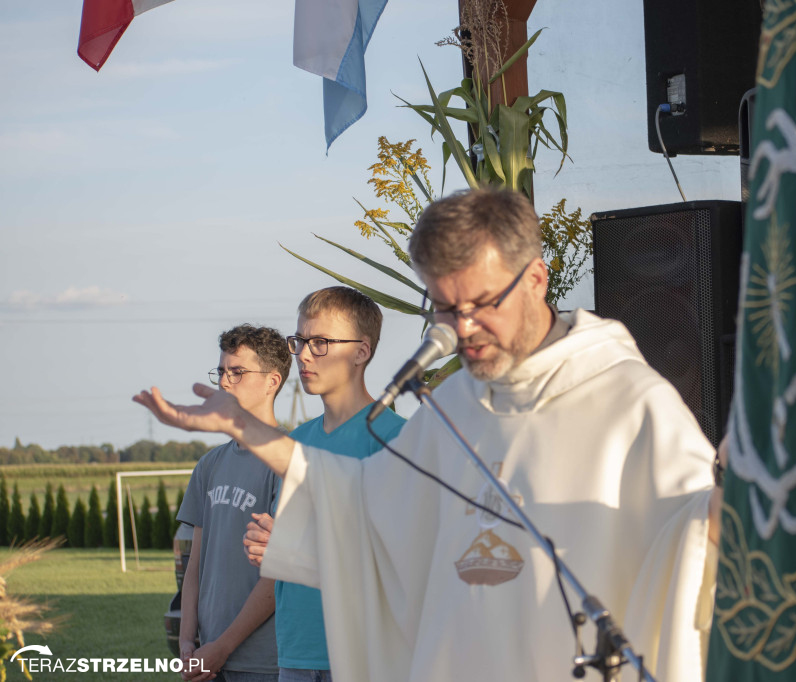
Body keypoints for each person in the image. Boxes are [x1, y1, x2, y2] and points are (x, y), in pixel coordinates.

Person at [138, 187, 719, 682]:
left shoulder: (629, 403)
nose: (462, 329)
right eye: (443, 308)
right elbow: (364, 504)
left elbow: (700, 553)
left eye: (481, 303)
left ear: (536, 279)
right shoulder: (459, 403)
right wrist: (242, 425)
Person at [244, 287, 406, 682]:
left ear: (361, 351)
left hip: (364, 654)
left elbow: (399, 558)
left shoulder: (396, 439)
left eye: (320, 343)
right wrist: (270, 547)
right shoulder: (295, 442)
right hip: (297, 650)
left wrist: (291, 546)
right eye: (299, 340)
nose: (302, 354)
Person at [176, 324, 290, 682]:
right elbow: (195, 563)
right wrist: (187, 639)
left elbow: (279, 575)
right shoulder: (209, 464)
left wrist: (223, 646)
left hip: (263, 661)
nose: (224, 383)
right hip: (208, 657)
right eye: (222, 372)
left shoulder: (286, 462)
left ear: (272, 381)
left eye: (237, 373)